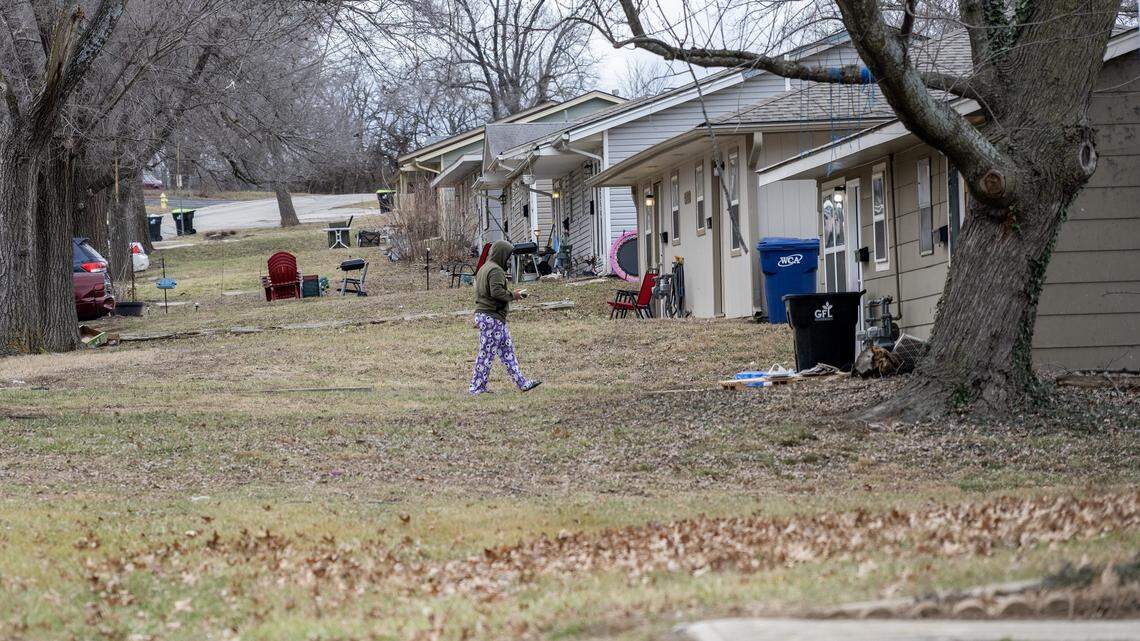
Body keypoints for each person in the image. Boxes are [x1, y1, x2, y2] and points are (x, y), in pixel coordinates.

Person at [469, 240, 541, 395]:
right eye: (508, 256)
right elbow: (496, 292)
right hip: (492, 317)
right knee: (486, 354)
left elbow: (488, 291)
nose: (509, 260)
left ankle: (522, 383)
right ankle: (476, 388)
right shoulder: (495, 270)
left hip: (489, 317)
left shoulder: (484, 268)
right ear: (501, 254)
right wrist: (514, 295)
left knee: (508, 352)